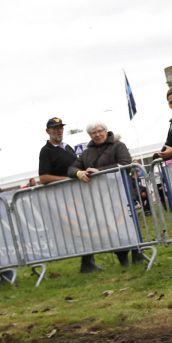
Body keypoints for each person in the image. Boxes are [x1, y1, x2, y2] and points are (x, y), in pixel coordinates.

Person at [67, 121, 141, 267]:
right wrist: (78, 172)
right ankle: (124, 263)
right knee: (114, 229)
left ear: (106, 131)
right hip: (102, 198)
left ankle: (138, 260)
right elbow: (71, 168)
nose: (98, 134)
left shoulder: (118, 146)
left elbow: (125, 162)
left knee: (130, 226)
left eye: (100, 131)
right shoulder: (87, 153)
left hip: (123, 193)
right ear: (90, 135)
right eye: (93, 133)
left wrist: (100, 171)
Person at [39, 117, 103, 273]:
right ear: (48, 131)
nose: (59, 130)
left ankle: (88, 262)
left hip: (77, 195)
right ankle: (86, 262)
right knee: (81, 228)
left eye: (60, 127)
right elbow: (43, 177)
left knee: (87, 226)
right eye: (55, 128)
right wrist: (68, 179)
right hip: (62, 198)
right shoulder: (46, 151)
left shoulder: (67, 147)